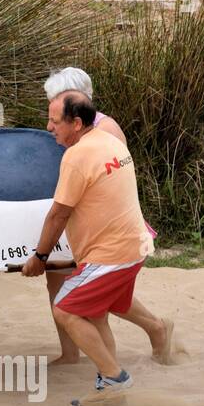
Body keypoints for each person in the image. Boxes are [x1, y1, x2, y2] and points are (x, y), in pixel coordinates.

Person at [22, 94, 155, 402]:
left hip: (111, 256)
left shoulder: (77, 156)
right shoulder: (112, 143)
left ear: (77, 123)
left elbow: (58, 214)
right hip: (136, 247)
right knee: (94, 314)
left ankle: (114, 378)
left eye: (55, 122)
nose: (49, 127)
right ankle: (110, 385)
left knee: (65, 310)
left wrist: (40, 258)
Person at [40, 67, 175, 364]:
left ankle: (126, 358)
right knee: (69, 285)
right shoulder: (74, 129)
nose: (50, 116)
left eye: (57, 100)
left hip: (109, 230)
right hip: (89, 225)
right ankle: (75, 354)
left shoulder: (103, 131)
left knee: (95, 302)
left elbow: (112, 184)